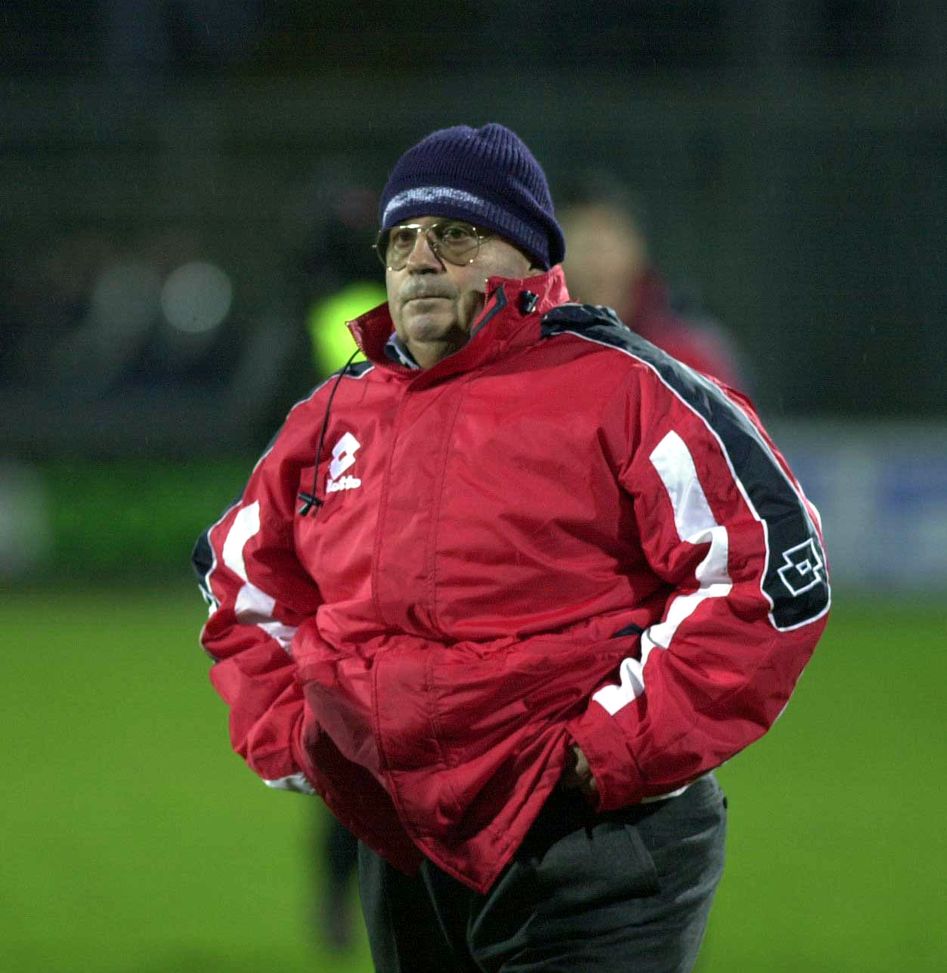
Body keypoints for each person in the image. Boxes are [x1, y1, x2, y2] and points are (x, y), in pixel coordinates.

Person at [192, 123, 830, 972]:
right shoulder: (335, 412)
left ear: (528, 255)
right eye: (402, 239)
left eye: (456, 234)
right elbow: (240, 582)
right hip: (403, 845)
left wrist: (606, 751)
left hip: (594, 839)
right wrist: (306, 738)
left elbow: (774, 567)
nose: (421, 259)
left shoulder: (628, 385)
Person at [560, 177, 748, 390]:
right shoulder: (537, 353)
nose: (596, 263)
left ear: (638, 250)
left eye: (607, 246)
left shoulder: (689, 355)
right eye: (585, 246)